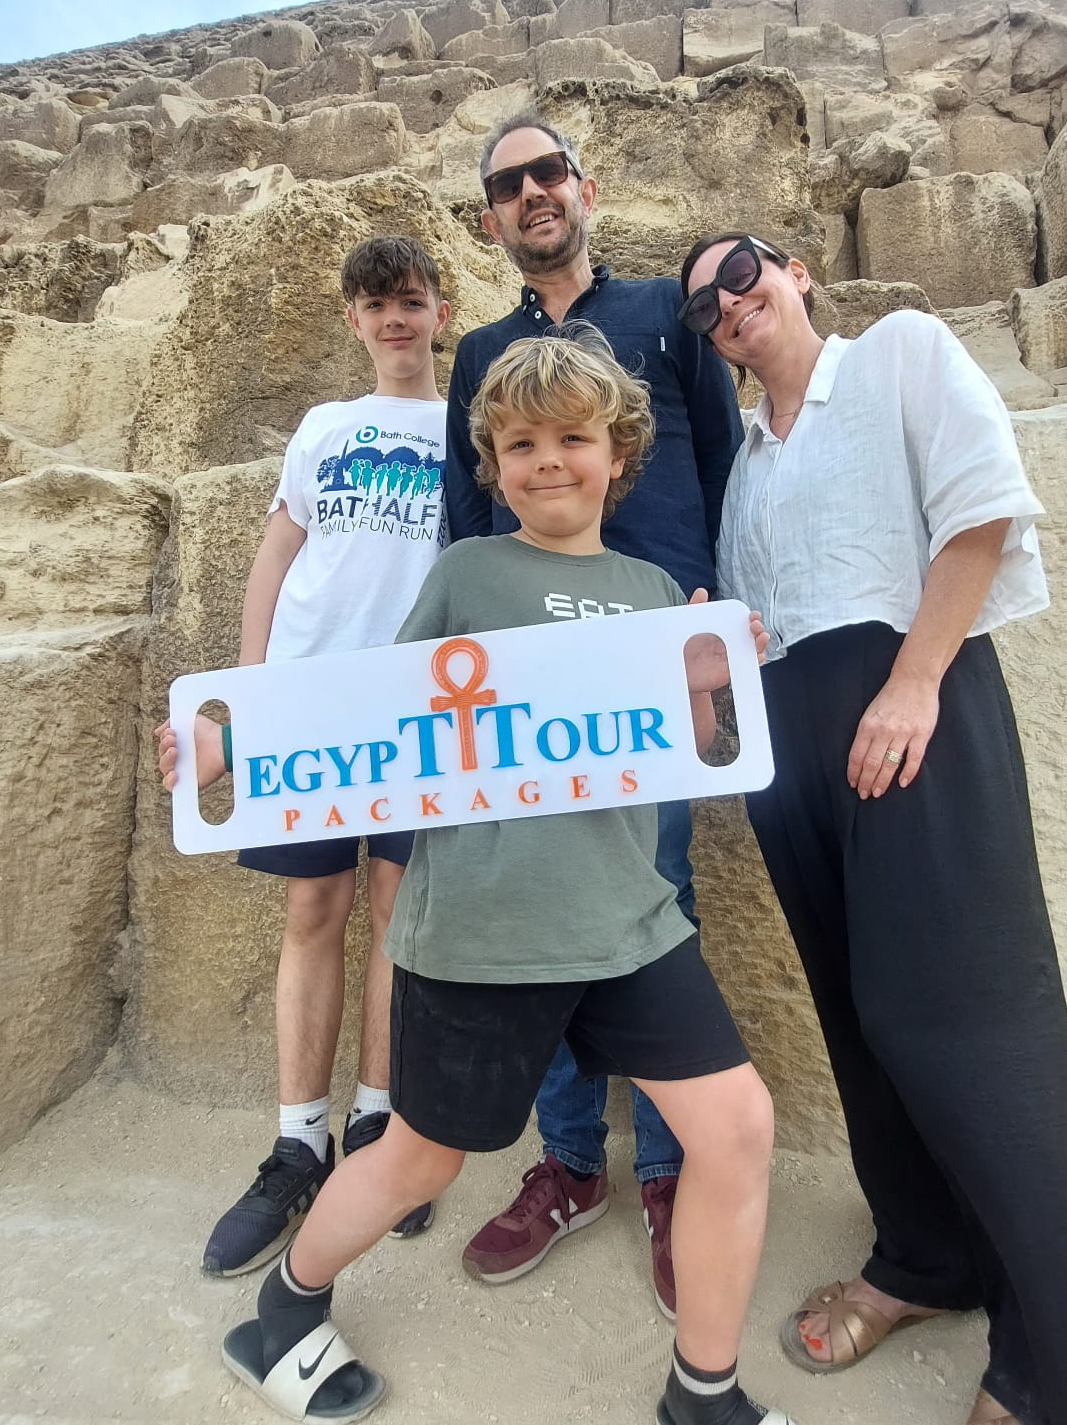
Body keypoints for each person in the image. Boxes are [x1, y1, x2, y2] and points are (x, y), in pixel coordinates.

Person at [215, 328, 794, 1425]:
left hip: (628, 923)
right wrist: (230, 747)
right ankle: (284, 1310)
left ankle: (703, 1392)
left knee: (737, 1129)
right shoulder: (466, 572)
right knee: (420, 1160)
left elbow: (691, 749)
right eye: (520, 443)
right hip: (482, 930)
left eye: (572, 438)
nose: (547, 461)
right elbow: (371, 718)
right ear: (492, 463)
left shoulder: (651, 587)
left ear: (617, 453)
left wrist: (708, 679)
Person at [675, 232, 1067, 1425]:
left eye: (740, 274)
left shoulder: (897, 353)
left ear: (794, 270)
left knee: (978, 1038)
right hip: (792, 756)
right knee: (863, 1023)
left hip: (907, 713)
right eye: (702, 308)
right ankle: (925, 1256)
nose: (727, 306)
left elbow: (979, 509)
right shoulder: (742, 460)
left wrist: (913, 682)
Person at [445, 111, 743, 1317]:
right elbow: (467, 511)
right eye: (506, 184)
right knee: (541, 913)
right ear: (489, 219)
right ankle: (569, 1161)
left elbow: (721, 463)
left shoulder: (664, 315)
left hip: (651, 667)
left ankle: (664, 1171)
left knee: (651, 898)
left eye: (547, 171)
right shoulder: (480, 351)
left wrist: (716, 617)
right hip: (528, 683)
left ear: (584, 185)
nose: (531, 192)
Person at [156, 235, 451, 1276]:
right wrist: (248, 693)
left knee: (399, 913)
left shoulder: (465, 426)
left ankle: (377, 1121)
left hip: (417, 711)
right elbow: (278, 553)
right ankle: (297, 1143)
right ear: (352, 319)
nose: (393, 319)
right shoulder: (324, 426)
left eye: (408, 300)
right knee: (313, 909)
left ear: (439, 309)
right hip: (311, 699)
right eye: (374, 304)